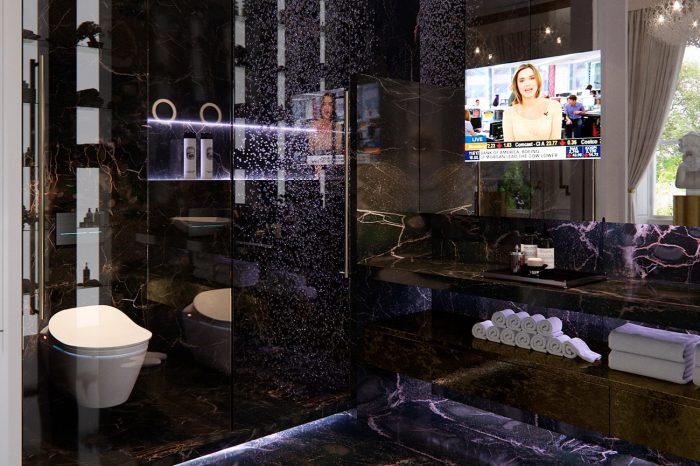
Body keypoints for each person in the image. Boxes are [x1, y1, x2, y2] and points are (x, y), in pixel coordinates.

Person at [502, 63, 563, 142]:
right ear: (516, 85)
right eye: (521, 80)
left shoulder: (554, 107)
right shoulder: (508, 113)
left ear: (538, 81)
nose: (527, 84)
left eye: (532, 78)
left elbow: (556, 146)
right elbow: (509, 149)